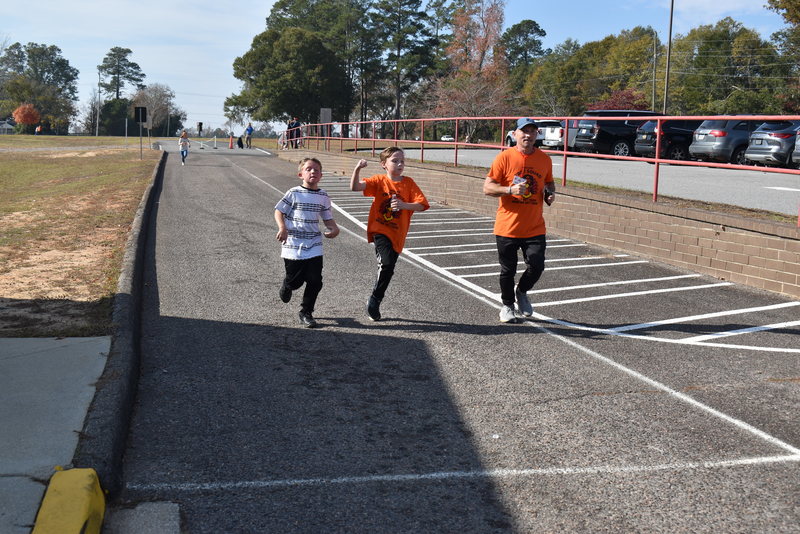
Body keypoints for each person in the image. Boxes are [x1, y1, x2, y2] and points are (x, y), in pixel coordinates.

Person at [483, 118, 556, 323]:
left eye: (532, 132)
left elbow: (549, 182)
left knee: (537, 265)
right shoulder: (504, 158)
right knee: (508, 270)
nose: (528, 135)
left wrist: (549, 194)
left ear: (536, 135)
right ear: (515, 134)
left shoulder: (544, 159)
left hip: (534, 226)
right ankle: (507, 305)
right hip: (508, 226)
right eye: (524, 131)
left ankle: (521, 291)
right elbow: (487, 188)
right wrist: (509, 190)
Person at [350, 147, 429, 321]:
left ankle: (376, 297)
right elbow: (355, 187)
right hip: (381, 230)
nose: (400, 164)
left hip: (398, 234)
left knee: (389, 268)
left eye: (402, 161)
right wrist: (357, 169)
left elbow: (422, 204)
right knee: (385, 264)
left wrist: (403, 205)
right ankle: (375, 299)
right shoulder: (379, 181)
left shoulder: (408, 183)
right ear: (383, 164)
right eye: (395, 160)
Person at [274, 157, 340, 328]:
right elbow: (279, 211)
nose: (313, 172)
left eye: (316, 170)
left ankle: (306, 312)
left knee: (315, 280)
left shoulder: (323, 196)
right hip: (293, 243)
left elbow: (328, 218)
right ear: (300, 174)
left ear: (321, 175)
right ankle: (287, 285)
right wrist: (283, 228)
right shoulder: (294, 193)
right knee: (295, 281)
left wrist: (334, 229)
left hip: (314, 244)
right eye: (309, 169)